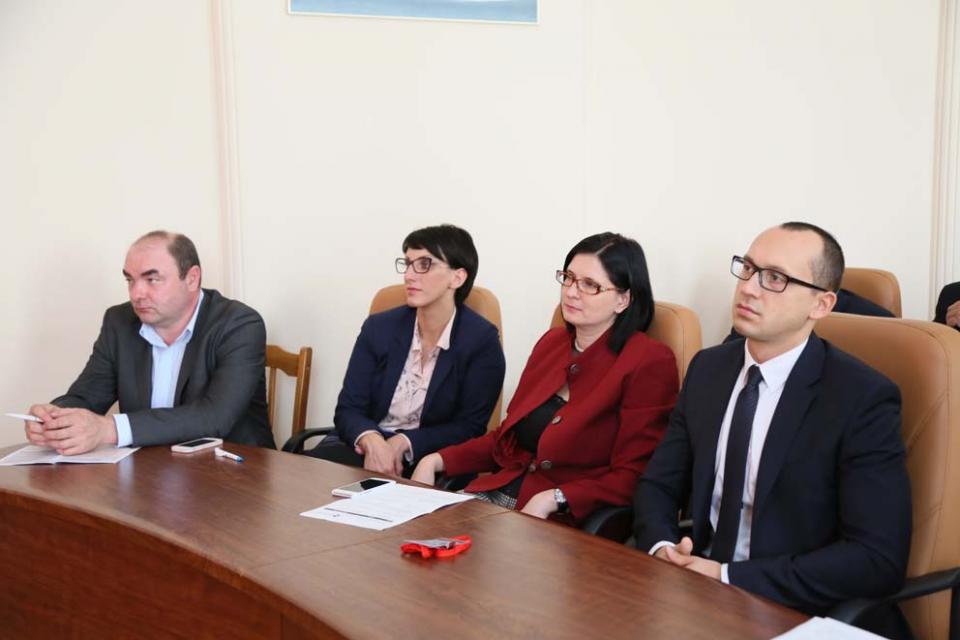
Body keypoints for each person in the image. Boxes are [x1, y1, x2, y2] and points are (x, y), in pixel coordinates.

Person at [634, 222, 911, 617]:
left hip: (795, 606)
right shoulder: (708, 368)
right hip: (695, 592)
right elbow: (659, 485)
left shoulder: (861, 398)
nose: (749, 287)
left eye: (775, 278)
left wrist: (727, 576)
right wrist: (663, 548)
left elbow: (876, 559)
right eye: (748, 268)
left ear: (822, 305)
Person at [412, 233, 678, 524]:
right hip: (500, 497)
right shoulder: (552, 343)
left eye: (590, 285)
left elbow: (633, 475)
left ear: (623, 300)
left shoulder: (648, 361)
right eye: (569, 278)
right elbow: (505, 441)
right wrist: (436, 460)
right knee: (408, 536)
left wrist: (556, 498)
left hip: (562, 520)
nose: (571, 292)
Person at [23, 231, 274, 454]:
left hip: (233, 472)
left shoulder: (239, 324)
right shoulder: (119, 322)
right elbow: (87, 396)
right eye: (130, 280)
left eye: (151, 279)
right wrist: (55, 419)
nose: (136, 293)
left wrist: (109, 428)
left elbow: (214, 417)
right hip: (149, 471)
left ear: (192, 278)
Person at [308, 224, 505, 476]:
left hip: (427, 459)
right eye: (408, 264)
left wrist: (404, 442)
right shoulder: (379, 327)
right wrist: (371, 440)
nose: (409, 275)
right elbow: (348, 408)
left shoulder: (481, 342)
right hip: (361, 449)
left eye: (424, 264)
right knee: (301, 481)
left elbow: (470, 427)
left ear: (457, 277)